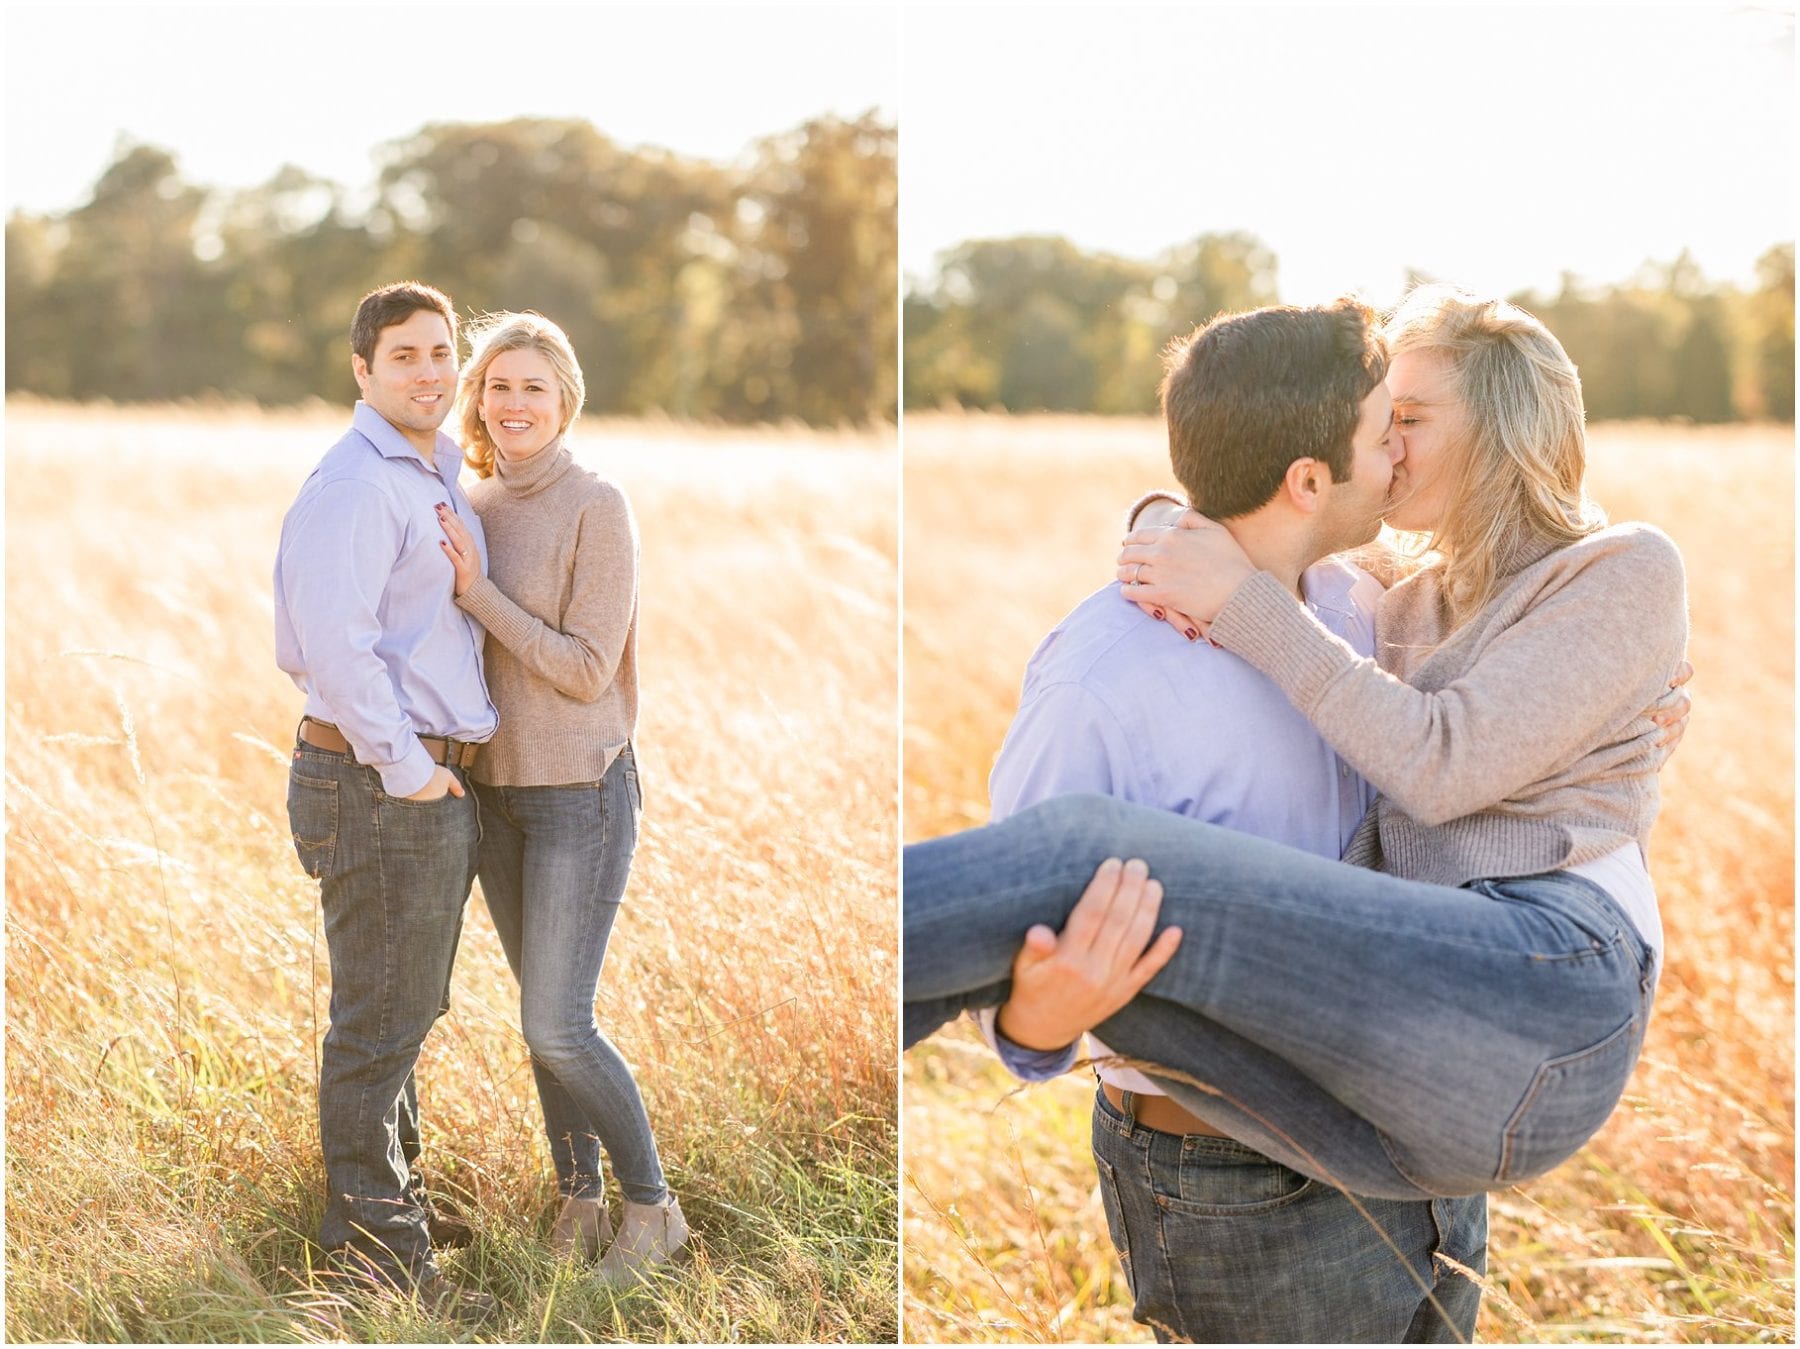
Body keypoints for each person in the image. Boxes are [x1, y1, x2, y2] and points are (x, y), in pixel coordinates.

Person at [904, 285, 1690, 1214]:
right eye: (1380, 422)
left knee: (1080, 853)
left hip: (1546, 977)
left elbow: (1441, 764)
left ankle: (872, 958)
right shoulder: (1392, 592)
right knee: (1131, 961)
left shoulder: (1619, 569)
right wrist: (1169, 520)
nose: (1389, 446)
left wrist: (1240, 600)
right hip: (1413, 1056)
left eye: (1411, 418)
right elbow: (1269, 510)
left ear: (1504, 429)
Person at [974, 300, 1490, 1342]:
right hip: (1236, 1181)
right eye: (1382, 428)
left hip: (1412, 1137)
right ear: (1308, 480)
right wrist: (1039, 1011)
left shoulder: (1360, 604)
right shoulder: (1102, 678)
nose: (1403, 453)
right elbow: (1001, 959)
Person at [435, 311, 687, 1284]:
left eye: (533, 386)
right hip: (495, 796)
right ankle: (578, 1199)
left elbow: (585, 669)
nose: (514, 403)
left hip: (582, 792)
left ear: (565, 397)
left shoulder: (597, 503)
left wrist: (478, 592)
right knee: (538, 1018)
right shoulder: (472, 501)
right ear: (479, 399)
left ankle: (652, 1207)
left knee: (559, 1021)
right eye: (498, 385)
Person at [274, 281, 496, 1321]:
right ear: (362, 370)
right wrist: (409, 768)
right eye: (403, 355)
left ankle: (390, 1197)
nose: (429, 372)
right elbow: (333, 645)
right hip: (374, 781)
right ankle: (374, 1250)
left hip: (406, 775)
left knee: (406, 1007)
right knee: (377, 1019)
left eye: (440, 352)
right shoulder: (359, 483)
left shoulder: (431, 470)